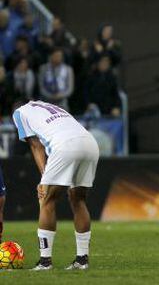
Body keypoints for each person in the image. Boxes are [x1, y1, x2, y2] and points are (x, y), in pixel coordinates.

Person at [12, 100, 99, 270]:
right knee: (78, 200)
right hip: (90, 142)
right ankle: (82, 260)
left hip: (65, 145)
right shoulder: (50, 106)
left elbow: (35, 145)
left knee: (47, 200)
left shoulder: (19, 113)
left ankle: (45, 262)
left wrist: (44, 179)